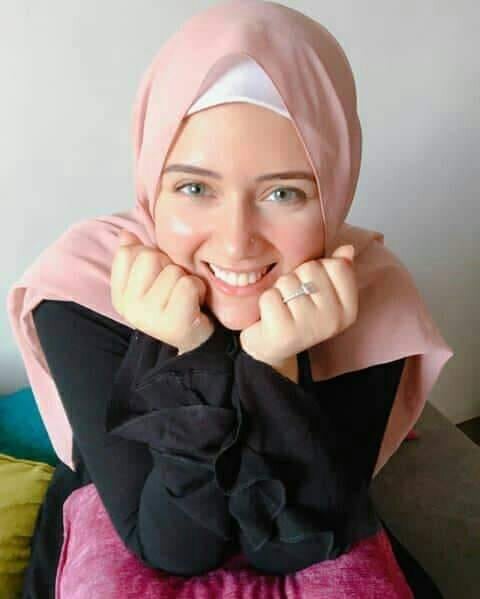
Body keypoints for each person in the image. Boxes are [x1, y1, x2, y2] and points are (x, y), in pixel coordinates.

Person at [8, 1, 452, 595]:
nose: (237, 242)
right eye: (195, 187)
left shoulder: (368, 290)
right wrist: (187, 353)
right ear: (152, 182)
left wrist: (273, 365)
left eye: (284, 193)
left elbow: (295, 545)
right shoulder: (85, 286)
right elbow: (171, 548)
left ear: (334, 185)